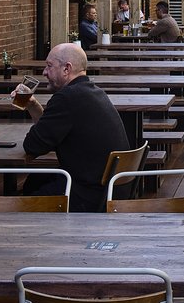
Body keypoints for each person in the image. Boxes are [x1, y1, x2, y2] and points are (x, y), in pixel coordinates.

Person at [13, 42, 129, 211]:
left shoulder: (67, 98)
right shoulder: (91, 91)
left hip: (90, 196)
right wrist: (32, 105)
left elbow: (33, 145)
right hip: (113, 189)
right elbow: (48, 134)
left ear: (66, 69)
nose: (44, 72)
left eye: (49, 66)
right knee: (35, 180)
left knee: (26, 201)